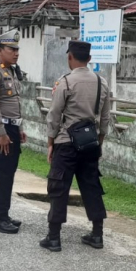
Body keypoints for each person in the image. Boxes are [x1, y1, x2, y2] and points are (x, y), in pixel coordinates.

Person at [40, 40, 112, 252]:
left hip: (66, 142)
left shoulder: (66, 82)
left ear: (69, 57)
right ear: (89, 59)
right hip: (89, 144)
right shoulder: (102, 82)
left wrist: (51, 141)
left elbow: (54, 114)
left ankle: (54, 237)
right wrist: (99, 142)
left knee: (58, 186)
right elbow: (105, 118)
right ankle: (97, 234)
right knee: (91, 187)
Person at [0, 29, 26, 234]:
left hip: (12, 128)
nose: (16, 53)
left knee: (9, 173)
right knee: (3, 173)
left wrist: (20, 128)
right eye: (12, 49)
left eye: (17, 49)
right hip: (1, 129)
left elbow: (15, 103)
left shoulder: (10, 71)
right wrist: (1, 132)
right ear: (0, 50)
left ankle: (2, 214)